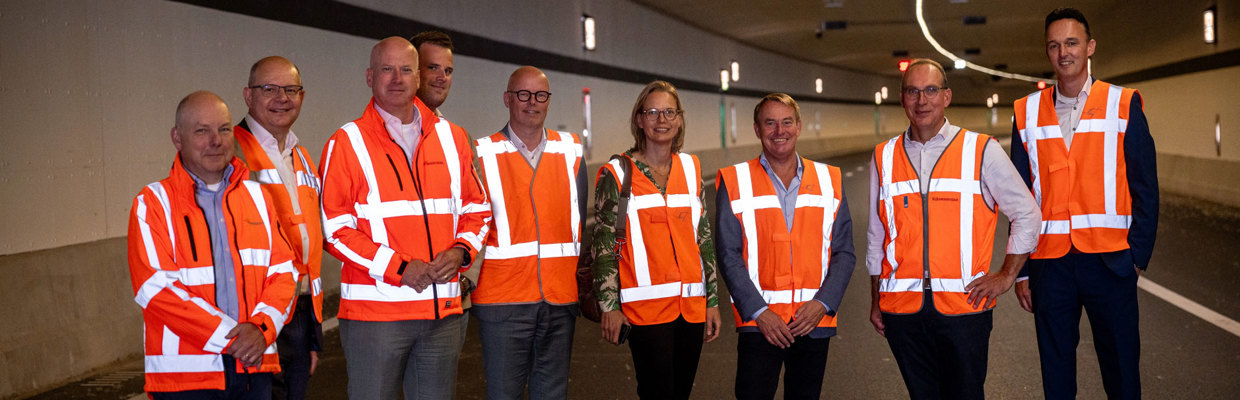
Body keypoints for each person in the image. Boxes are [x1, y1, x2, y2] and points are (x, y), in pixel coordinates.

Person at [318, 37, 491, 400]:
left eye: (406, 69)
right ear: (369, 77)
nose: (396, 78)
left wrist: (461, 251)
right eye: (386, 69)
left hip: (441, 314)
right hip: (376, 318)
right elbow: (334, 230)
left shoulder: (452, 137)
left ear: (417, 79)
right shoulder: (347, 142)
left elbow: (478, 209)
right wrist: (399, 268)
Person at [867, 59, 1041, 400]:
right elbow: (877, 236)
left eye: (931, 90)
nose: (922, 100)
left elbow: (1028, 214)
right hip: (902, 311)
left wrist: (1006, 275)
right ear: (902, 99)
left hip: (964, 310)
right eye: (913, 91)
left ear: (946, 96)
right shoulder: (883, 156)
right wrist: (876, 300)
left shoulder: (981, 150)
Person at [1010, 8, 1158, 399]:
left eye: (1072, 43)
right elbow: (1020, 198)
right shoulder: (1026, 112)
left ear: (1090, 47)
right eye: (1054, 45)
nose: (1064, 53)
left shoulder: (1123, 104)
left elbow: (1145, 185)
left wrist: (1137, 255)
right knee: (1056, 373)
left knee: (1122, 368)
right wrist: (1021, 270)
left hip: (1110, 261)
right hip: (1049, 264)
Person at [126, 91, 297, 399]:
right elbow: (155, 289)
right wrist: (233, 340)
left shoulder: (258, 198)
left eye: (224, 129)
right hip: (188, 380)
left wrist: (261, 330)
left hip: (253, 369)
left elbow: (284, 274)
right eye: (202, 130)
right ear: (177, 138)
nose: (215, 140)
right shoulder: (153, 204)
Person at [715, 93, 855, 400]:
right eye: (770, 122)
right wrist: (759, 311)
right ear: (757, 129)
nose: (780, 130)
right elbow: (728, 254)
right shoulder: (734, 179)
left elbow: (844, 252)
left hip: (812, 320)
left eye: (787, 122)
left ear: (799, 126)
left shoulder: (829, 179)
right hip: (760, 322)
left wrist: (823, 304)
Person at [592, 80, 722, 400]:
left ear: (679, 120)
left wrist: (713, 300)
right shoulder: (617, 173)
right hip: (644, 311)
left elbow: (702, 237)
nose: (661, 120)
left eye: (668, 112)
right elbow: (604, 245)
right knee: (656, 393)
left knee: (680, 393)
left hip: (691, 307)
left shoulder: (691, 168)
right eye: (652, 112)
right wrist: (609, 306)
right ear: (639, 119)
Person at [470, 66, 586, 400]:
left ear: (548, 101)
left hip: (560, 298)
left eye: (540, 95)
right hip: (502, 302)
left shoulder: (571, 151)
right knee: (504, 394)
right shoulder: (482, 154)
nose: (531, 102)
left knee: (552, 394)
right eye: (523, 94)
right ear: (507, 99)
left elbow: (579, 219)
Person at [230, 56, 323, 400]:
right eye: (269, 89)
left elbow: (309, 241)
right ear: (248, 95)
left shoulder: (300, 156)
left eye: (291, 89)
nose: (282, 98)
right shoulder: (231, 152)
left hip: (297, 312)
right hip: (254, 312)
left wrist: (311, 335)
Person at [410, 30, 478, 344]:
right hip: (389, 307)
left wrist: (465, 269)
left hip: (449, 302)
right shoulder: (365, 137)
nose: (441, 77)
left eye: (448, 70)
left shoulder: (454, 137)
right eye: (433, 67)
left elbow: (475, 210)